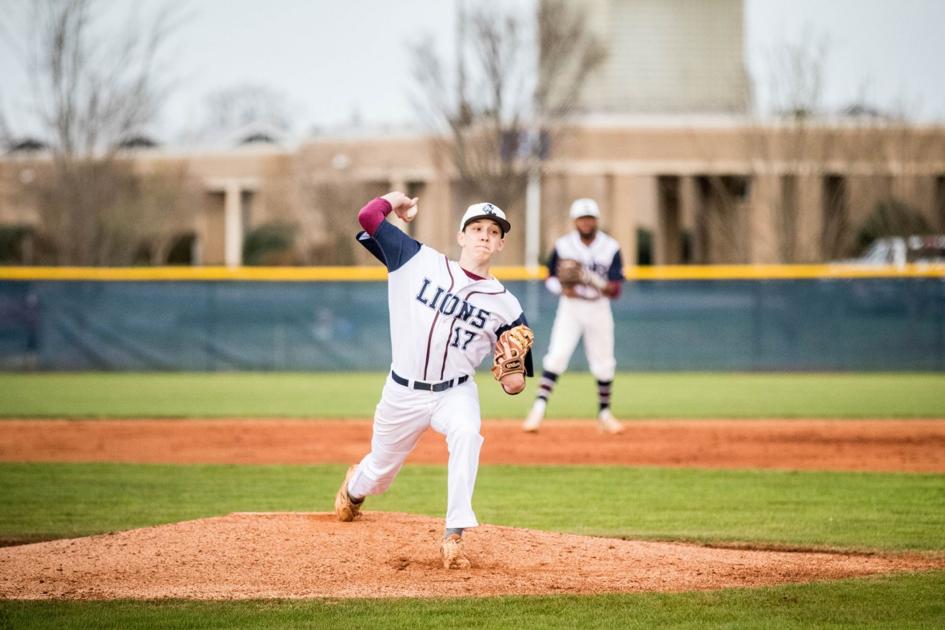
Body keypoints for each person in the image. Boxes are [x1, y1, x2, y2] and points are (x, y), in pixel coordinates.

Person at [334, 191, 534, 569]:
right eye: (476, 228)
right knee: (378, 474)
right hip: (403, 391)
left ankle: (454, 534)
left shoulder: (507, 306)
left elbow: (514, 384)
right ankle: (355, 488)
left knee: (467, 434)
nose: (484, 236)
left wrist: (512, 374)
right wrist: (398, 201)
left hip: (455, 392)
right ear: (461, 236)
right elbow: (367, 216)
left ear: (502, 243)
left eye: (493, 231)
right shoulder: (416, 259)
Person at [522, 198, 625, 434]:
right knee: (556, 356)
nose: (586, 222)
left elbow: (616, 290)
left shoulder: (610, 247)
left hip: (599, 307)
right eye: (581, 218)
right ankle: (537, 410)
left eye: (589, 218)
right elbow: (550, 277)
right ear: (575, 221)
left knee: (604, 363)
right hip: (570, 307)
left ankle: (605, 414)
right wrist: (563, 288)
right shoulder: (563, 245)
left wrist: (590, 278)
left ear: (596, 220)